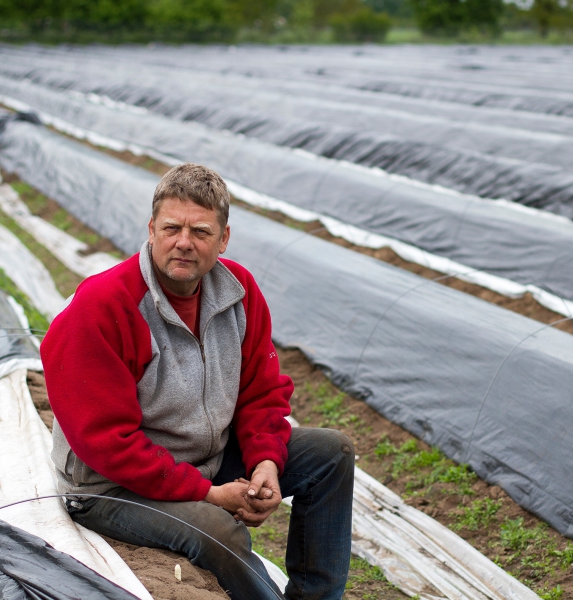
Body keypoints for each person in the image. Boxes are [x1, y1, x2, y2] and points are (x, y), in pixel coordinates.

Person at [41, 163, 354, 600]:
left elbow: (261, 393)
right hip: (112, 487)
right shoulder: (105, 306)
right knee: (217, 529)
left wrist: (266, 462)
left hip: (203, 458)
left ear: (223, 239)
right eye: (172, 228)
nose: (184, 242)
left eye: (202, 232)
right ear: (151, 229)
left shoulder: (239, 293)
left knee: (329, 453)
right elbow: (107, 444)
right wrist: (207, 493)